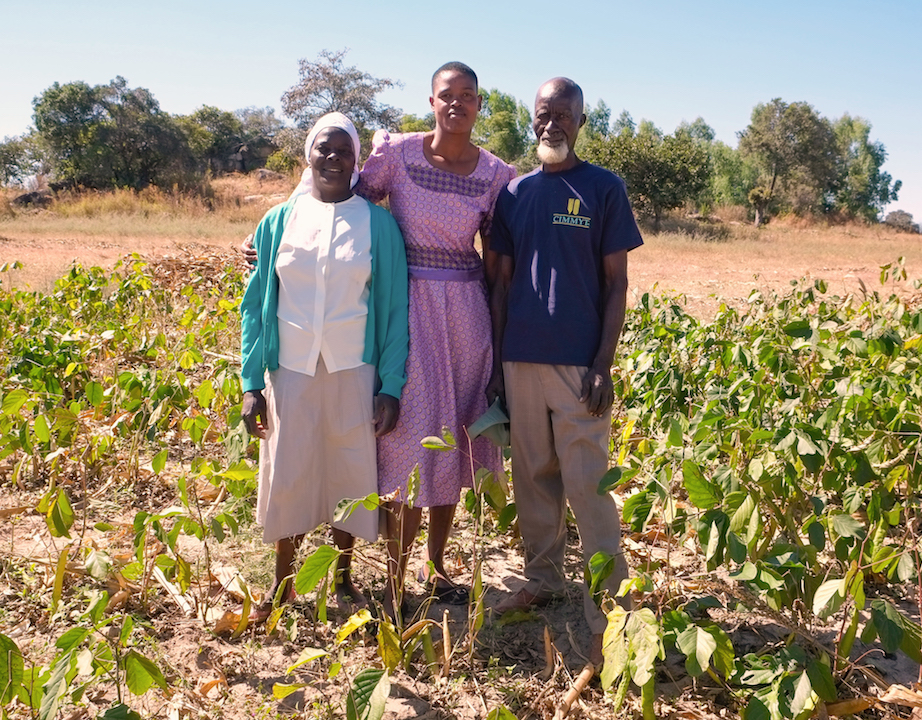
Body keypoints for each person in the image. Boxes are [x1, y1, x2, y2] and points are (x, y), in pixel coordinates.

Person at [243, 62, 515, 620]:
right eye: (447, 94)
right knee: (393, 446)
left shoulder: (486, 178)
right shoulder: (388, 159)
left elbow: (500, 258)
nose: (457, 103)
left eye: (469, 95)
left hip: (457, 318)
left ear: (479, 104)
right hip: (364, 328)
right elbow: (325, 203)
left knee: (444, 441)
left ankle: (421, 568)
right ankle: (339, 578)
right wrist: (261, 241)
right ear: (431, 100)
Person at [486, 77, 643, 665]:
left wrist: (603, 364)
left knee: (586, 479)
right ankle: (543, 577)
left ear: (581, 122)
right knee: (532, 472)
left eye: (563, 116)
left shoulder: (603, 188)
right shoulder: (514, 193)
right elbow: (498, 282)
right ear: (533, 120)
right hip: (520, 357)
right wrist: (499, 364)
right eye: (542, 115)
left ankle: (611, 593)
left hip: (580, 363)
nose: (551, 124)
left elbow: (617, 282)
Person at [240, 112, 408, 621]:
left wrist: (391, 385)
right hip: (287, 368)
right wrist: (251, 384)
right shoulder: (277, 221)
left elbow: (396, 309)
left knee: (348, 473)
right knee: (288, 472)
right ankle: (283, 582)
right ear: (307, 157)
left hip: (353, 367)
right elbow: (254, 307)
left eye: (343, 151)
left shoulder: (378, 224)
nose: (332, 158)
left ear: (357, 161)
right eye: (323, 150)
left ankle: (342, 579)